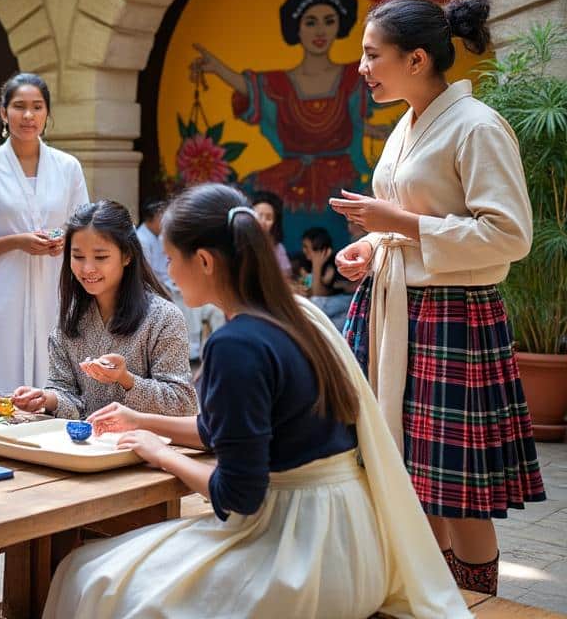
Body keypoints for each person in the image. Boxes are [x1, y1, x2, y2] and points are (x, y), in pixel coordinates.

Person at [43, 184, 470, 619]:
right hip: (352, 543)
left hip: (298, 556)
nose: (168, 273)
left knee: (85, 573)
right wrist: (141, 420)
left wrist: (160, 455)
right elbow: (226, 433)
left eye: (171, 259)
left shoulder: (234, 345)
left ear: (205, 261)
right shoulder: (301, 315)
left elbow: (238, 495)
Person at [330, 0, 544, 594]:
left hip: (454, 317)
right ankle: (429, 597)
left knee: (460, 489)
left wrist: (390, 227)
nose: (363, 68)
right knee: (410, 476)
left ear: (417, 58)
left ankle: (478, 604)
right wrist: (369, 248)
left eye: (373, 55)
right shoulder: (409, 122)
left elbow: (509, 235)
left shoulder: (477, 127)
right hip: (397, 307)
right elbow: (413, 217)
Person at [189, 0, 382, 232]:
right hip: (289, 188)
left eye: (329, 20)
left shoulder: (354, 76)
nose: (320, 30)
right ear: (296, 27)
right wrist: (217, 68)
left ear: (339, 25)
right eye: (311, 21)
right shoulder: (278, 84)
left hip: (343, 186)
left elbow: (365, 110)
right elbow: (251, 87)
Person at [0, 73, 88, 396]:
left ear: (47, 114)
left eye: (37, 107)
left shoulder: (68, 168)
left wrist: (65, 241)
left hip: (54, 287)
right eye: (19, 107)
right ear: (4, 113)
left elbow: (84, 226)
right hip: (2, 293)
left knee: (54, 373)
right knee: (2, 377)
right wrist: (18, 242)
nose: (28, 116)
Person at [10, 200, 194, 420]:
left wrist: (126, 379)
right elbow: (67, 395)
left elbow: (184, 404)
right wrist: (47, 398)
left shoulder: (164, 317)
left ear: (127, 255)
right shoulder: (71, 320)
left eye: (101, 257)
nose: (87, 269)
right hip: (85, 446)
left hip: (145, 447)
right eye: (77, 256)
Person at [137, 198, 223, 363]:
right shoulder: (142, 239)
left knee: (213, 310)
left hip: (177, 285)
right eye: (162, 215)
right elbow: (146, 276)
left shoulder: (163, 237)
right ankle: (191, 351)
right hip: (159, 292)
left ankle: (203, 353)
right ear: (152, 217)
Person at [301, 226, 354, 331]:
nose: (304, 250)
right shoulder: (304, 266)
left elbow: (317, 294)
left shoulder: (331, 268)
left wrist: (317, 265)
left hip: (338, 304)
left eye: (307, 247)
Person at [251, 190, 293, 279]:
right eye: (259, 216)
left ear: (275, 223)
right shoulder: (238, 242)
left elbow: (286, 278)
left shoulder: (278, 248)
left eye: (269, 218)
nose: (262, 222)